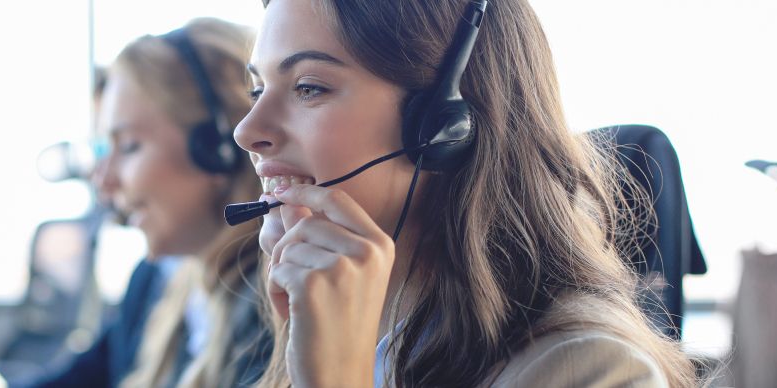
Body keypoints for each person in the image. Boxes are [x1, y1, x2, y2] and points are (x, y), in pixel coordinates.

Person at [234, 0, 699, 387]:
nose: (247, 131)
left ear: (443, 128)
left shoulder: (592, 371)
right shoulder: (330, 334)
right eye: (257, 90)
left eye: (308, 87)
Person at [30, 18, 269, 388]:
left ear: (216, 148)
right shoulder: (157, 281)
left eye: (128, 146)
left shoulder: (278, 309)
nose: (103, 180)